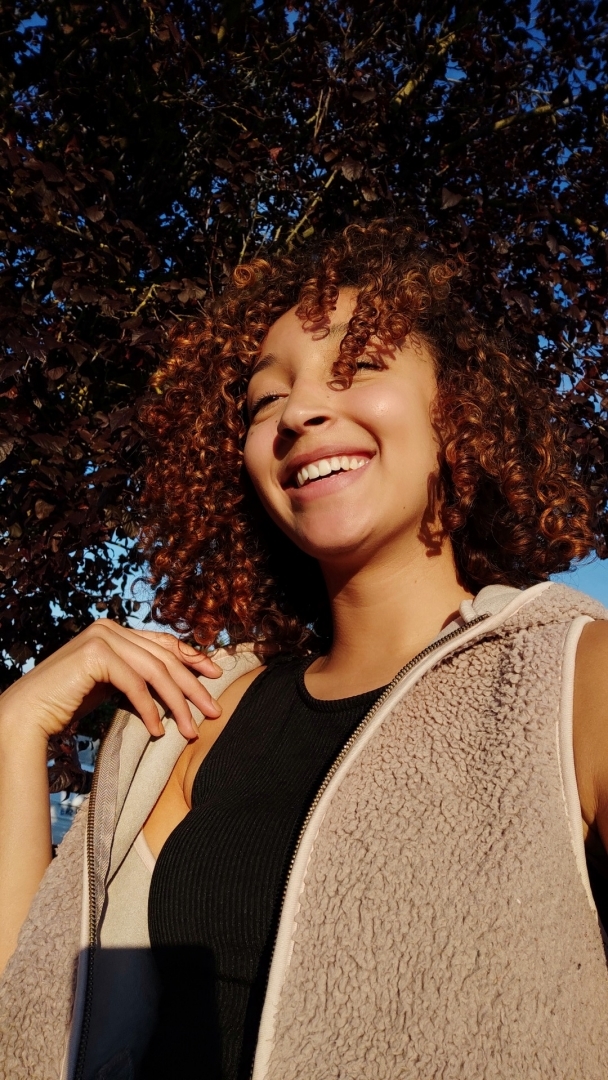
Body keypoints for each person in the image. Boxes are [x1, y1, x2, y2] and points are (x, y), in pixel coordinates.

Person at [1, 220, 608, 1080]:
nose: (299, 412)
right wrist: (16, 726)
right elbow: (31, 1019)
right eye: (264, 401)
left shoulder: (571, 680)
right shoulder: (195, 718)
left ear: (456, 412)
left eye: (356, 367)